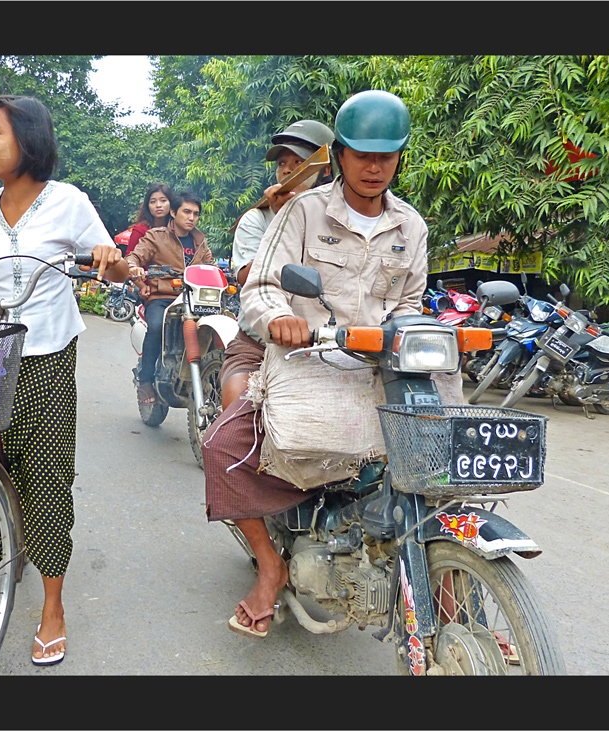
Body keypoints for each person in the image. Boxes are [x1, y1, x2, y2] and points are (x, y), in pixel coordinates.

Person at [202, 90, 430, 639]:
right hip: (305, 364)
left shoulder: (411, 227)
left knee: (437, 455)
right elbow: (258, 287)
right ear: (342, 155)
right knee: (222, 449)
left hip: (376, 371)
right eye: (362, 155)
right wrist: (280, 316)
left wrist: (405, 334)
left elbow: (411, 306)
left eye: (387, 156)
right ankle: (270, 563)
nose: (374, 167)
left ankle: (449, 587)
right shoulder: (303, 212)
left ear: (400, 157)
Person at [0, 94, 128, 666]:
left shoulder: (68, 202)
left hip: (47, 356)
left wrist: (109, 259)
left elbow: (104, 255)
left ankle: (53, 605)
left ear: (29, 140)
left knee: (44, 476)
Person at [221, 119, 336, 411]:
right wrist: (285, 219)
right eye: (282, 162)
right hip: (258, 344)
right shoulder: (257, 219)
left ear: (324, 169)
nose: (286, 169)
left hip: (328, 347)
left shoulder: (341, 221)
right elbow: (249, 278)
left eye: (298, 161)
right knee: (231, 430)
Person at [126, 190, 215, 404]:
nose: (191, 217)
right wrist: (134, 268)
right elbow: (134, 257)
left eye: (195, 213)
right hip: (163, 296)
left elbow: (211, 266)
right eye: (186, 212)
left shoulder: (201, 242)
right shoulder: (156, 236)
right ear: (173, 213)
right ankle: (145, 380)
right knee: (156, 326)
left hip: (195, 299)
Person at [126, 182, 173, 256]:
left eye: (163, 201)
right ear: (148, 206)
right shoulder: (140, 231)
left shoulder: (177, 229)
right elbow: (129, 258)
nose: (158, 205)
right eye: (153, 202)